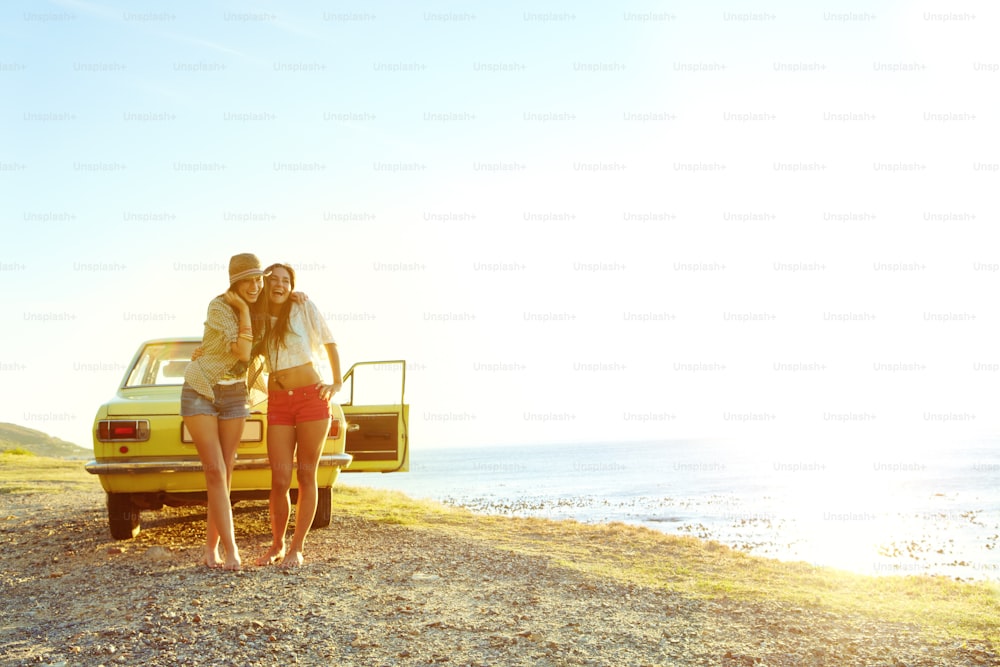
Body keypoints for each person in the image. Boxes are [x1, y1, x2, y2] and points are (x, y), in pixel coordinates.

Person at [181, 253, 265, 571]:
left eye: (259, 279)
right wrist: (243, 310)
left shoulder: (262, 308)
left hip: (235, 395)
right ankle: (232, 551)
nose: (256, 285)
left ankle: (210, 549)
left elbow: (282, 312)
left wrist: (297, 295)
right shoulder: (219, 306)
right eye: (249, 279)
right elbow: (242, 351)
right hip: (202, 388)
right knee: (215, 471)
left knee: (225, 474)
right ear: (235, 282)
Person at [255, 262, 342, 568]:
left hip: (311, 400)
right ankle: (277, 545)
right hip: (278, 401)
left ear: (292, 287)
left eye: (286, 281)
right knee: (279, 478)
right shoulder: (257, 315)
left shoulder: (303, 308)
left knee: (306, 475)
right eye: (273, 280)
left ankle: (297, 547)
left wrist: (336, 382)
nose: (280, 285)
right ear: (264, 284)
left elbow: (330, 342)